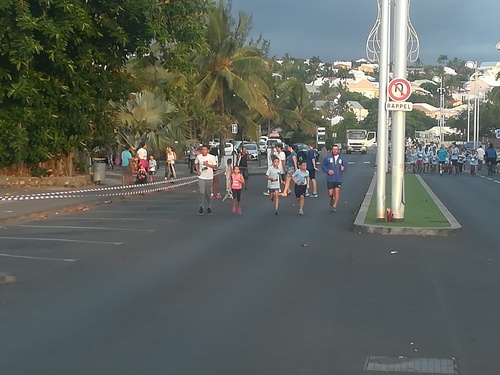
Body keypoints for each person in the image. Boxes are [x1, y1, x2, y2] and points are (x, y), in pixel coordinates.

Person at [321, 145, 346, 212]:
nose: (335, 151)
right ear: (332, 150)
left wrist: (343, 168)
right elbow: (323, 166)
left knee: (337, 191)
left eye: (336, 149)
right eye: (333, 149)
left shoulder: (341, 159)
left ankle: (335, 206)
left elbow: (345, 166)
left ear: (338, 150)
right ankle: (332, 198)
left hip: (338, 178)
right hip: (330, 178)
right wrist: (328, 171)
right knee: (330, 193)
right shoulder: (328, 158)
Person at [195, 145, 217, 215]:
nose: (204, 151)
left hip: (209, 177)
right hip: (201, 177)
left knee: (208, 193)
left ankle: (209, 206)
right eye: (203, 149)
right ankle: (201, 206)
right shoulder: (199, 157)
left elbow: (215, 167)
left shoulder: (211, 157)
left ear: (208, 150)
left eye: (205, 149)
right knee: (202, 192)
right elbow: (196, 163)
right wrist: (197, 170)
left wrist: (208, 165)